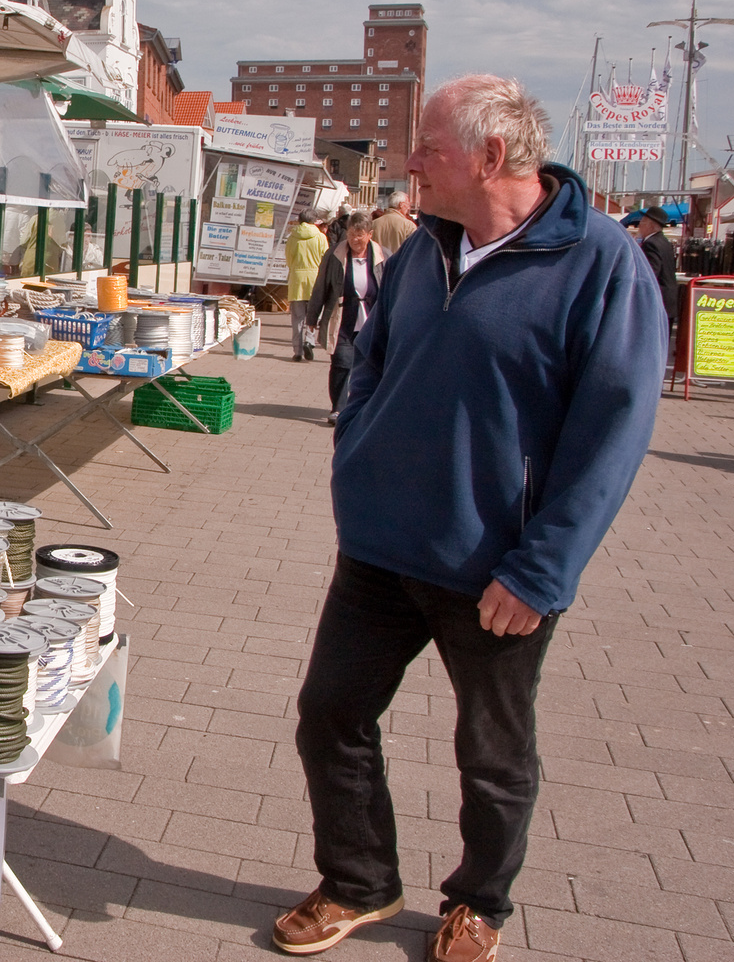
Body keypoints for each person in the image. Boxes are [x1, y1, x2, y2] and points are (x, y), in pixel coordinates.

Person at [273, 75, 667, 962]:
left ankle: (481, 900)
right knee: (329, 712)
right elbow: (370, 353)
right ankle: (358, 882)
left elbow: (614, 434)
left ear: (491, 157)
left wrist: (542, 570)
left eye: (430, 148)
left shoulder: (602, 263)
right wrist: (357, 446)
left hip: (499, 569)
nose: (411, 163)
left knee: (491, 753)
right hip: (381, 546)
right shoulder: (426, 248)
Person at [305, 212, 386, 421]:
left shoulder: (383, 256)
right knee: (341, 362)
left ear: (370, 234)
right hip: (342, 317)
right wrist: (312, 318)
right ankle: (338, 408)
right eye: (351, 234)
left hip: (372, 319)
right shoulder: (335, 255)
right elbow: (320, 286)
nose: (355, 239)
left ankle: (367, 406)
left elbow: (393, 290)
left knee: (372, 364)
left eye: (359, 235)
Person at [284, 210, 329, 361]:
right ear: (315, 221)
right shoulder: (321, 238)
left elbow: (289, 259)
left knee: (297, 317)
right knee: (314, 314)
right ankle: (309, 341)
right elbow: (325, 260)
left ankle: (297, 351)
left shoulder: (292, 238)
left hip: (297, 278)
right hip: (315, 279)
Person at [635, 205, 679, 325]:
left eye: (643, 222)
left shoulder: (651, 244)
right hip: (668, 302)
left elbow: (651, 272)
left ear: (651, 226)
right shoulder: (664, 242)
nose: (639, 225)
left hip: (658, 300)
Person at [371, 190, 416, 256]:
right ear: (401, 205)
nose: (408, 208)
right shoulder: (409, 226)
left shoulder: (373, 224)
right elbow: (413, 251)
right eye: (408, 204)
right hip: (400, 264)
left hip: (378, 263)